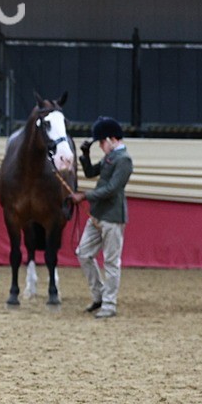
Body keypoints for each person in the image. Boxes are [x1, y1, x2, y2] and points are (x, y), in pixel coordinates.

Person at [70, 116, 133, 319]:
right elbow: (90, 172)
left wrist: (85, 195)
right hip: (97, 214)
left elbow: (112, 189)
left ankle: (109, 304)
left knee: (111, 262)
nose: (100, 146)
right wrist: (85, 155)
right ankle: (99, 295)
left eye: (101, 142)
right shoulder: (110, 157)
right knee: (83, 253)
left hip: (112, 217)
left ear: (112, 139)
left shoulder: (124, 160)